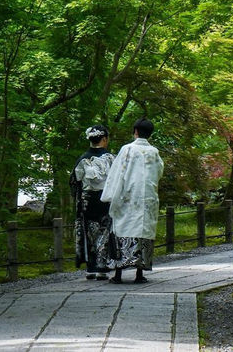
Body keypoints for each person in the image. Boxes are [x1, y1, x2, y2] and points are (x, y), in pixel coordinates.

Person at [100, 117, 164, 284]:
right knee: (143, 231)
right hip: (147, 199)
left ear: (135, 131)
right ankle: (139, 273)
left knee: (122, 229)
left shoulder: (127, 150)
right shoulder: (154, 152)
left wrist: (110, 195)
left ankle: (119, 273)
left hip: (128, 198)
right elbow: (158, 173)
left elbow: (117, 173)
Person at [69, 123, 115, 280]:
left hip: (86, 201)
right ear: (104, 139)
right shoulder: (110, 158)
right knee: (105, 232)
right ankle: (103, 266)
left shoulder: (82, 159)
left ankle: (91, 267)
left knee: (89, 232)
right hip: (106, 199)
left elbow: (75, 182)